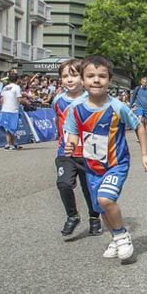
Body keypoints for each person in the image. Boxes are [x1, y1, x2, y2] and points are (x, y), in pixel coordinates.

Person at [63, 56, 147, 261]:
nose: (96, 80)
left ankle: (122, 235)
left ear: (109, 80)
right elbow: (73, 130)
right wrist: (71, 143)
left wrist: (145, 155)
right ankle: (115, 237)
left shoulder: (117, 107)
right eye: (91, 76)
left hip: (116, 164)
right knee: (101, 207)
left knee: (106, 199)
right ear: (83, 80)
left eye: (102, 76)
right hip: (93, 167)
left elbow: (139, 126)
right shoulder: (76, 107)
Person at [52, 59, 102, 239]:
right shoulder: (58, 100)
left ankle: (94, 218)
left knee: (89, 188)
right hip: (66, 153)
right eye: (65, 76)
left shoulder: (92, 99)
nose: (69, 79)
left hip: (88, 154)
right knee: (63, 183)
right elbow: (58, 121)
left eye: (73, 75)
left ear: (82, 78)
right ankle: (72, 215)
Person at [0, 70, 24, 151]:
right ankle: (9, 144)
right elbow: (19, 99)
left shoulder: (5, 87)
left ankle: (12, 143)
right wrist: (27, 102)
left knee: (8, 128)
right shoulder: (17, 87)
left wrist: (2, 108)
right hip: (13, 110)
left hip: (4, 110)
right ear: (17, 80)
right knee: (11, 128)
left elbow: (1, 99)